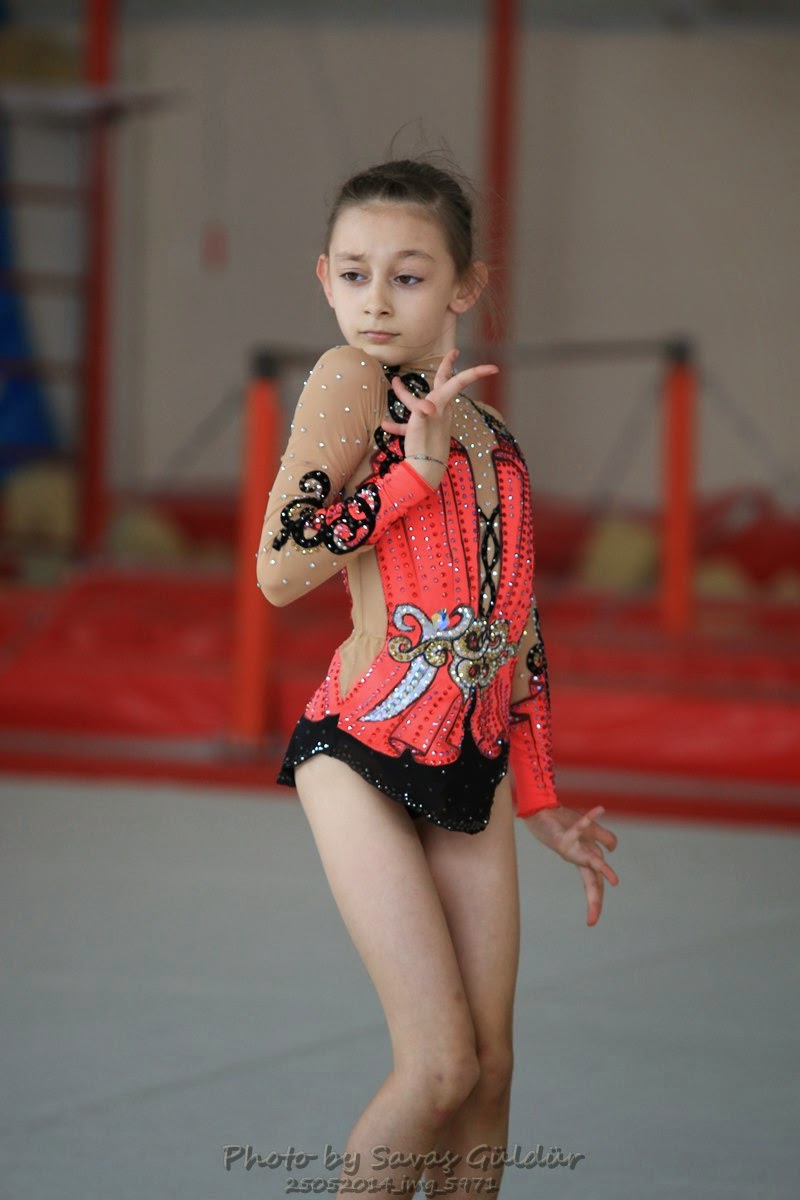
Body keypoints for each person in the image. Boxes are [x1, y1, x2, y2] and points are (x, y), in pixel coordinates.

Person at [257, 157, 618, 1197]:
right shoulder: (350, 383)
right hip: (361, 747)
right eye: (355, 274)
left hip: (473, 761)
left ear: (466, 286)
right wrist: (407, 479)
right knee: (439, 1065)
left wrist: (540, 797)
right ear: (325, 277)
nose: (376, 300)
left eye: (408, 276)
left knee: (491, 1070)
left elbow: (516, 630)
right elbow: (280, 567)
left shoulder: (494, 440)